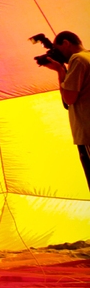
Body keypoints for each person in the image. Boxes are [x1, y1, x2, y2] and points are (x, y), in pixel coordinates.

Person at [43, 31, 90, 189]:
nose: (58, 55)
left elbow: (68, 99)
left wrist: (60, 71)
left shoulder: (77, 59)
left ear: (65, 43)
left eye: (58, 49)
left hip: (87, 134)